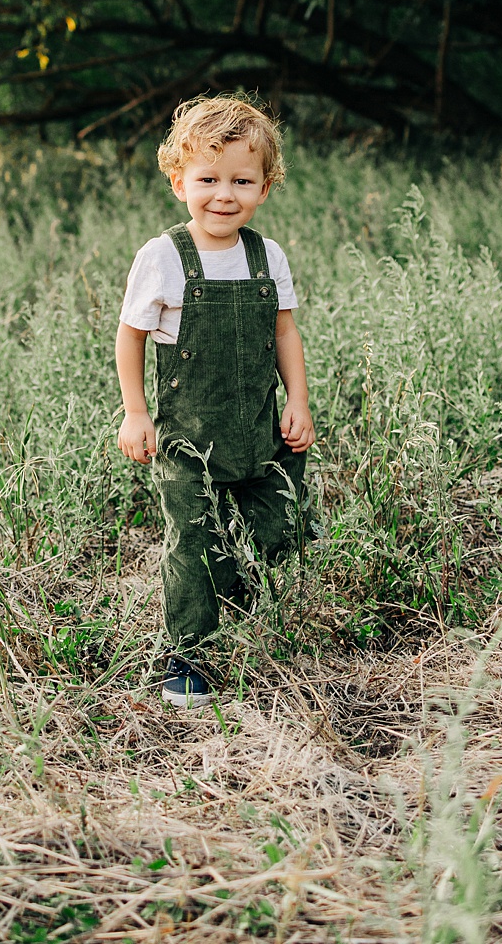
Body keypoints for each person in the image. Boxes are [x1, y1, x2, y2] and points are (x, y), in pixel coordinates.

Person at [115, 94, 315, 709]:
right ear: (179, 182)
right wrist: (136, 410)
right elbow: (131, 335)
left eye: (241, 180)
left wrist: (298, 401)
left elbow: (283, 332)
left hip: (259, 424)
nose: (223, 194)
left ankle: (236, 608)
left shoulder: (266, 256)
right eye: (207, 179)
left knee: (284, 527)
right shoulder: (165, 257)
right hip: (186, 433)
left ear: (265, 186)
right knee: (193, 538)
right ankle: (188, 655)